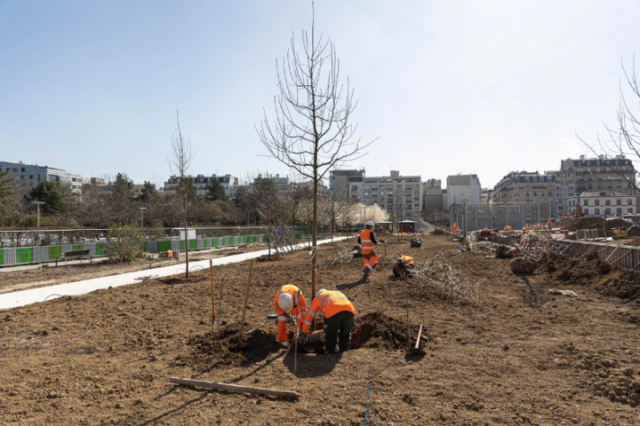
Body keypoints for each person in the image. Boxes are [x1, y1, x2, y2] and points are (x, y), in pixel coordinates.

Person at [298, 289, 356, 354]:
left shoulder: (318, 297)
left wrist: (304, 332)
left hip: (333, 313)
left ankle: (329, 352)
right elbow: (341, 311)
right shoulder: (337, 292)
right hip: (350, 312)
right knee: (346, 333)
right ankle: (345, 352)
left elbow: (309, 316)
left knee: (331, 334)